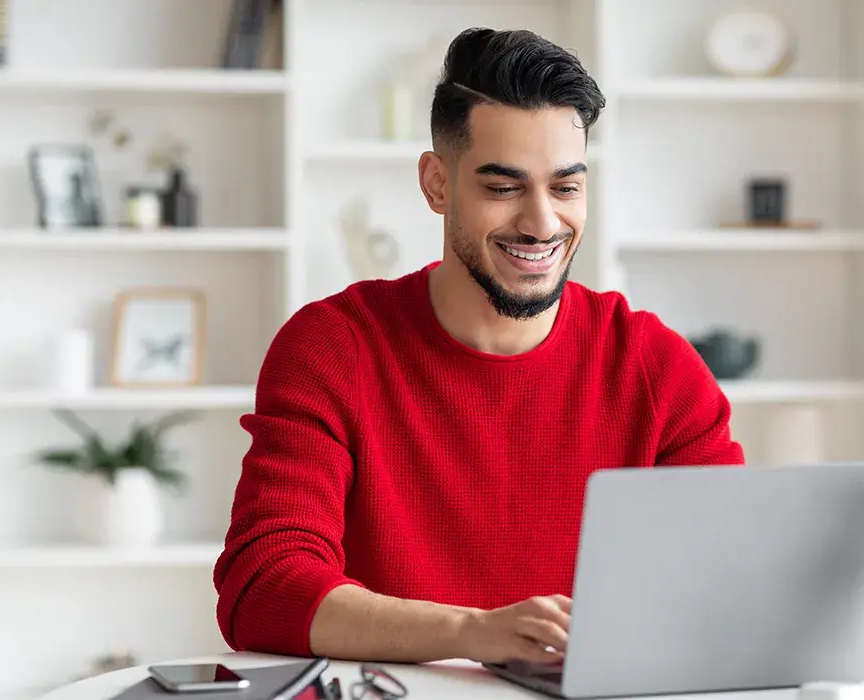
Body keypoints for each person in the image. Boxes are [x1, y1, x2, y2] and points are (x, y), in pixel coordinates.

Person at [213, 26, 744, 668]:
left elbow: (730, 584)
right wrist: (471, 633)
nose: (543, 223)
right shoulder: (333, 348)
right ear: (437, 183)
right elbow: (262, 588)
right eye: (504, 187)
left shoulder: (655, 366)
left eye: (566, 187)